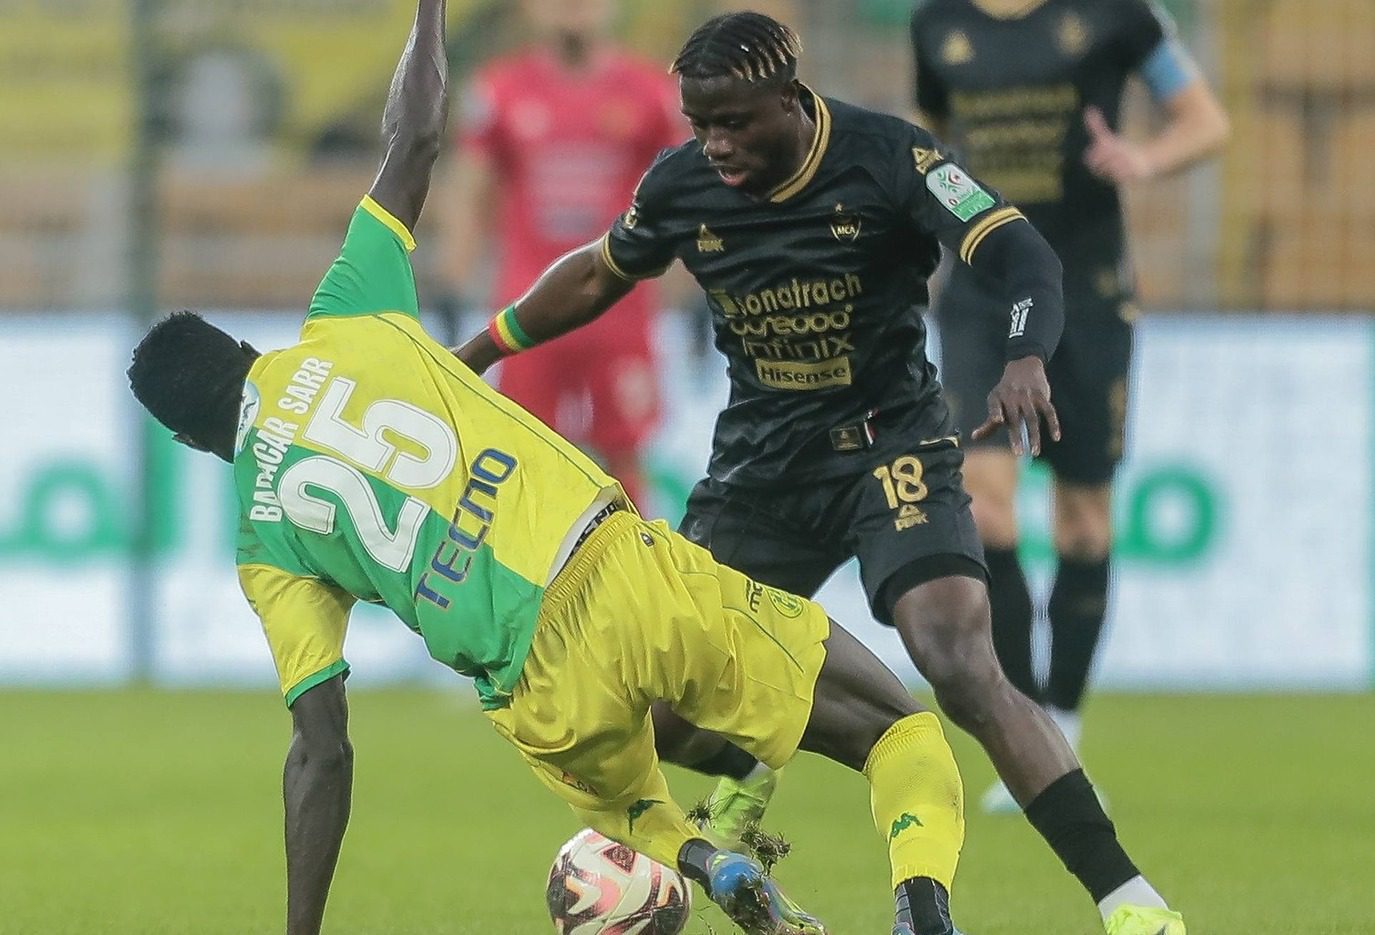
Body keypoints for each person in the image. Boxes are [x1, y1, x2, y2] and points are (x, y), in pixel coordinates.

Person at [125, 4, 977, 934]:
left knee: (630, 811)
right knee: (899, 730)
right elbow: (414, 139)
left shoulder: (261, 539)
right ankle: (920, 910)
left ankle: (705, 859)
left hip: (530, 690)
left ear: (190, 442)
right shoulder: (346, 314)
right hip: (614, 572)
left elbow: (320, 749)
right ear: (245, 348)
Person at [455, 11, 1185, 935]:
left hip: (892, 447)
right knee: (662, 709)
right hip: (761, 470)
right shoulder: (682, 184)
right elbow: (601, 272)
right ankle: (758, 758)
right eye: (700, 125)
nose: (716, 145)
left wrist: (1025, 354)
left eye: (734, 123)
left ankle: (1130, 902)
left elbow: (1020, 250)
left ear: (791, 99)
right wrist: (477, 353)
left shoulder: (888, 157)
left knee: (958, 658)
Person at [910, 0, 1230, 815]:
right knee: (983, 506)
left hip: (1085, 295)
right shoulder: (936, 23)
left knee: (1084, 521)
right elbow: (931, 143)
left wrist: (1143, 158)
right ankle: (1028, 735)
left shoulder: (1116, 13)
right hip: (981, 294)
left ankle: (1067, 722)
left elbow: (1206, 121)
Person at [438, 0, 685, 508]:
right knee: (522, 459)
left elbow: (687, 198)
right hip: (528, 315)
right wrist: (453, 283)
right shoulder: (499, 92)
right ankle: (528, 562)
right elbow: (469, 189)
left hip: (620, 313)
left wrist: (700, 288)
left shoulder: (652, 93)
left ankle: (632, 561)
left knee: (625, 460)